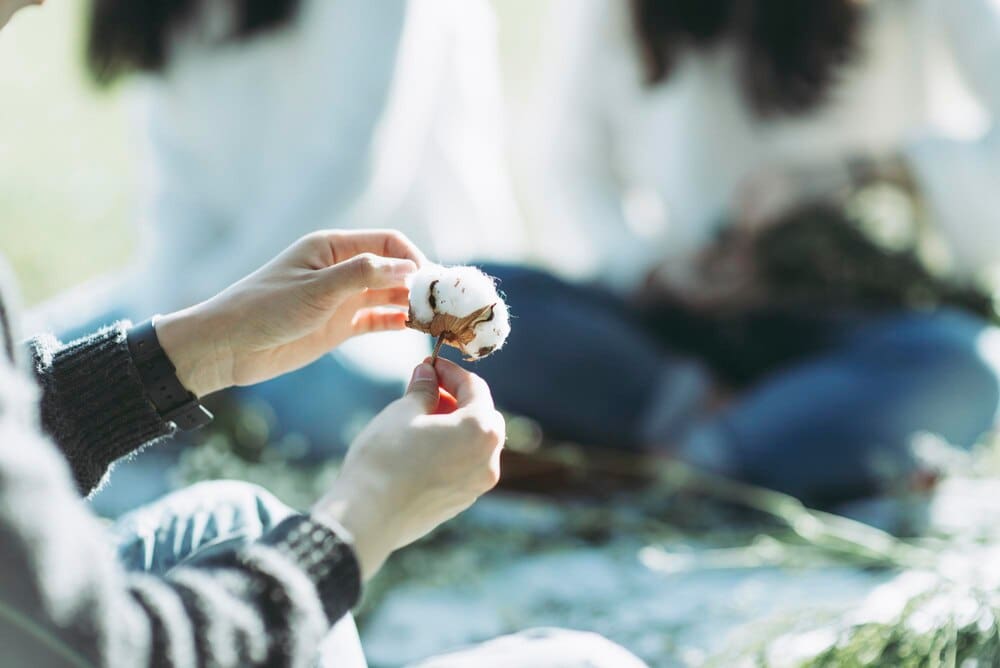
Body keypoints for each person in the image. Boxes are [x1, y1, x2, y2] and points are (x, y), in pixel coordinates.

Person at [0, 2, 648, 665]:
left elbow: (353, 160)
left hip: (321, 312)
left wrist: (196, 346)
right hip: (235, 307)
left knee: (234, 511)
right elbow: (89, 651)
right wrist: (363, 514)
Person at [463, 0, 1000, 507]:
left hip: (857, 329)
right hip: (683, 333)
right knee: (469, 303)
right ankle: (726, 447)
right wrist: (656, 271)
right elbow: (568, 164)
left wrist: (859, 174)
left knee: (970, 363)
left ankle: (697, 459)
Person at [38, 0, 527, 515]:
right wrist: (183, 325)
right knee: (30, 368)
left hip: (378, 315)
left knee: (329, 405)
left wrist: (206, 331)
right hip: (203, 294)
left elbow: (351, 167)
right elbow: (174, 187)